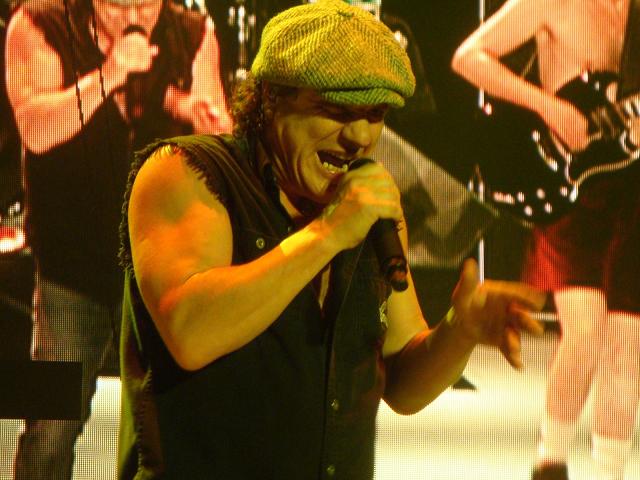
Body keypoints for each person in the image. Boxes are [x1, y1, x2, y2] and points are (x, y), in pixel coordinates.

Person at [118, 0, 546, 478]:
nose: (359, 136)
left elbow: (404, 386)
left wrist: (459, 331)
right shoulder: (187, 172)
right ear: (270, 97)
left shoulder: (369, 208)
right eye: (336, 111)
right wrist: (329, 233)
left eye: (375, 114)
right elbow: (190, 334)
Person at [4, 0, 231, 477]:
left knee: (169, 425)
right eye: (119, 7)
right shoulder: (39, 22)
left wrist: (207, 126)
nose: (135, 17)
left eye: (147, 7)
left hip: (161, 273)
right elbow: (36, 129)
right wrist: (110, 73)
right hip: (68, 272)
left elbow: (216, 129)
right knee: (50, 426)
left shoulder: (191, 32)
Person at [452, 1, 640, 479]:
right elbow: (469, 57)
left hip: (632, 187)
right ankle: (550, 463)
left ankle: (612, 472)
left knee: (628, 342)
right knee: (585, 334)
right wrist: (549, 106)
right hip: (571, 190)